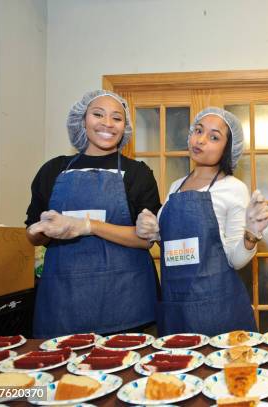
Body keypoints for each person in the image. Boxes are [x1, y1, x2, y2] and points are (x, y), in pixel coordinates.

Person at [26, 90, 160, 338]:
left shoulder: (137, 173)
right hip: (63, 305)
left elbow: (145, 239)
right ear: (82, 120)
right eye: (98, 114)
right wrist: (40, 231)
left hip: (126, 303)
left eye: (117, 118)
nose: (107, 123)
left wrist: (87, 226)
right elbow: (34, 235)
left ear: (125, 126)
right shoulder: (53, 170)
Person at [136, 107, 268, 336]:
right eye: (198, 131)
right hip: (176, 305)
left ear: (227, 149)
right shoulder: (175, 186)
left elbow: (235, 260)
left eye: (213, 137)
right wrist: (156, 235)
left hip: (218, 307)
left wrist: (251, 234)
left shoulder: (233, 188)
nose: (200, 140)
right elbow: (181, 250)